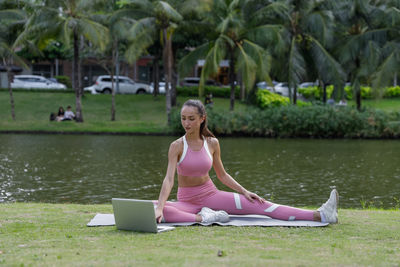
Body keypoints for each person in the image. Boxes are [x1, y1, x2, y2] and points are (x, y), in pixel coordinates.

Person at [154, 99, 339, 224]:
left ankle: (321, 214)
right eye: (183, 119)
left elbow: (222, 175)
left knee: (259, 204)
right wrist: (161, 208)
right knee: (157, 208)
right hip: (186, 201)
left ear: (202, 119)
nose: (186, 123)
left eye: (191, 119)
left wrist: (244, 191)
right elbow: (169, 179)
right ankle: (203, 217)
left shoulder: (212, 143)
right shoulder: (176, 146)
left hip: (211, 195)